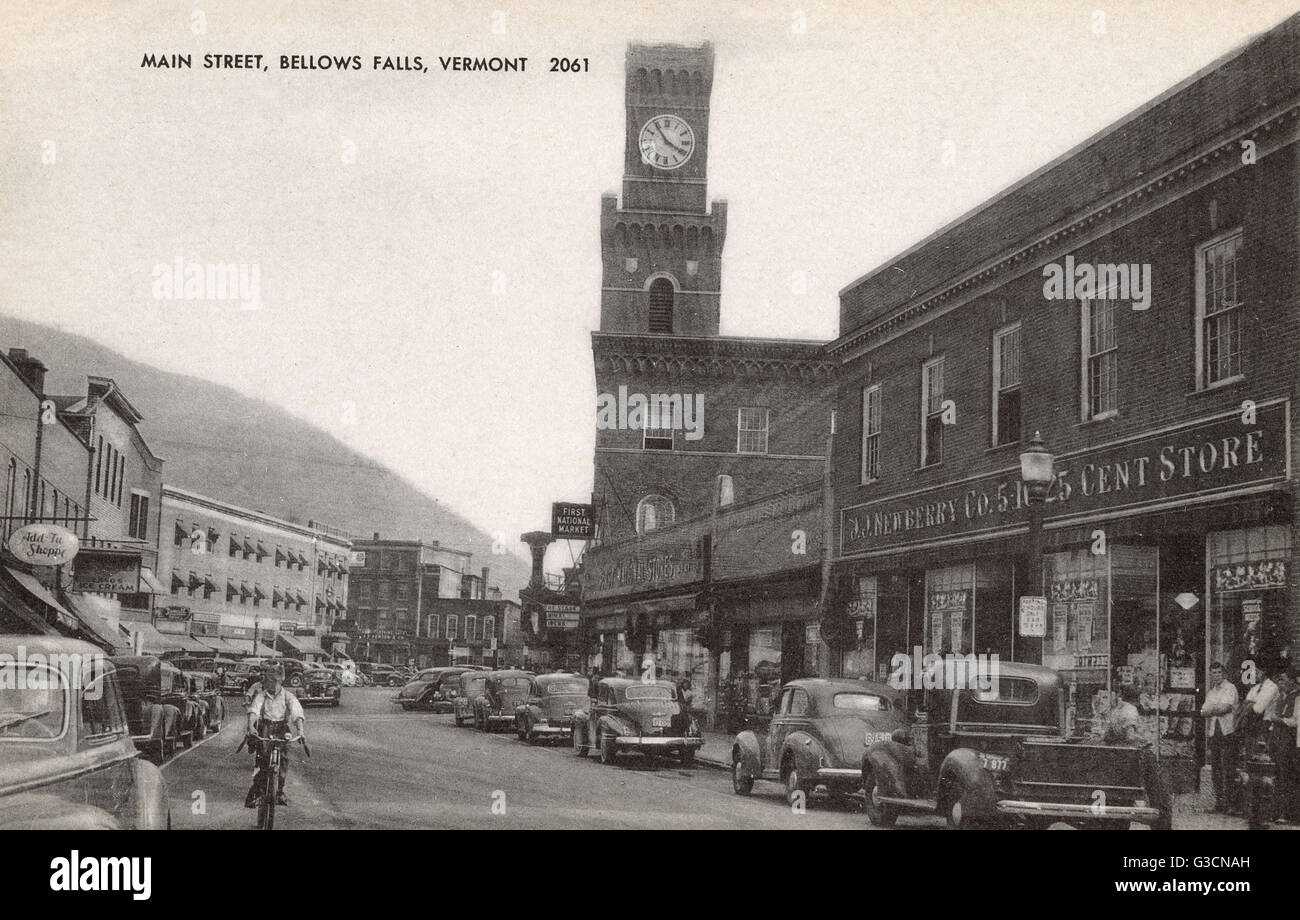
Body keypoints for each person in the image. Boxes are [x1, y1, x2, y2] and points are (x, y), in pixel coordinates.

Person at [244, 663, 306, 808]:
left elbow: (297, 713)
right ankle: (258, 792)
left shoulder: (288, 696)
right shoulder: (262, 695)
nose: (267, 683)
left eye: (271, 680)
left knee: (283, 760)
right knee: (262, 760)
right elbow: (254, 711)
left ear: (279, 681)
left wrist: (300, 730)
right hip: (266, 727)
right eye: (267, 680)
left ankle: (279, 792)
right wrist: (251, 726)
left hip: (282, 728)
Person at [1200, 662, 1239, 814]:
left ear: (1224, 673)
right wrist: (1214, 709)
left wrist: (1212, 709)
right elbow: (1203, 711)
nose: (1216, 675)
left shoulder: (1230, 688)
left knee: (1229, 767)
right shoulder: (1211, 692)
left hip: (1227, 732)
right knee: (1216, 768)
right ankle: (1220, 802)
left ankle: (1231, 804)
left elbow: (1225, 708)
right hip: (1214, 733)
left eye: (1218, 672)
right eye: (1213, 673)